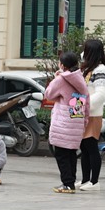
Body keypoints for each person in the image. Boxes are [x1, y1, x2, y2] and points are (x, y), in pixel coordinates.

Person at [44, 51, 88, 193]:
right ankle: (71, 182)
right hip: (76, 118)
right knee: (71, 154)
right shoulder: (80, 78)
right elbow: (85, 102)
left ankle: (67, 184)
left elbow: (49, 94)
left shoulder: (62, 79)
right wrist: (85, 120)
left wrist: (56, 78)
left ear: (62, 65)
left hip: (63, 121)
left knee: (62, 154)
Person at [78, 39, 105, 191]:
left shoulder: (101, 70)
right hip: (82, 113)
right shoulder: (87, 68)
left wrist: (85, 107)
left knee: (91, 147)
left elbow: (102, 94)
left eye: (85, 49)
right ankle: (85, 179)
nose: (82, 53)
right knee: (83, 148)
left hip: (92, 114)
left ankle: (94, 181)